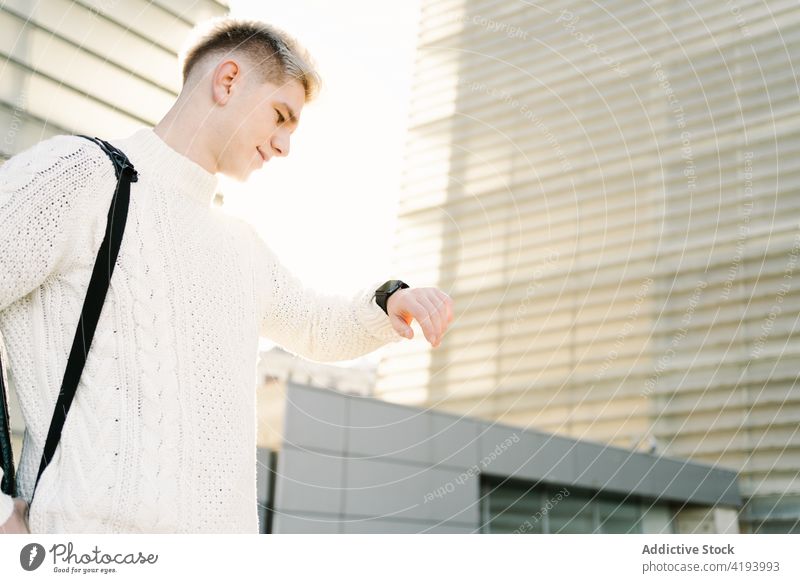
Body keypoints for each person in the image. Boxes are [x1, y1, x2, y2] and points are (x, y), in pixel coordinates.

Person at [0, 16, 453, 534]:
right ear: (229, 80)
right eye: (281, 116)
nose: (284, 146)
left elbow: (317, 325)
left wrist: (392, 299)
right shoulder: (82, 176)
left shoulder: (239, 244)